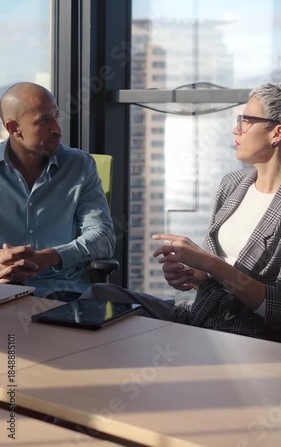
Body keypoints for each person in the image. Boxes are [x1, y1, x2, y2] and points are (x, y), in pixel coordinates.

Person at [81, 82, 281, 339]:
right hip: (198, 315)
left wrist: (209, 262)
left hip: (244, 333)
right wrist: (192, 273)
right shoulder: (233, 185)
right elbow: (211, 272)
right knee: (100, 294)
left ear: (276, 132)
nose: (235, 129)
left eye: (246, 121)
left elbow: (276, 309)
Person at [0, 82, 115, 300]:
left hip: (63, 291)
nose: (57, 128)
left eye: (56, 115)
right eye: (44, 120)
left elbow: (104, 238)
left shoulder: (79, 165)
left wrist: (52, 256)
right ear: (14, 128)